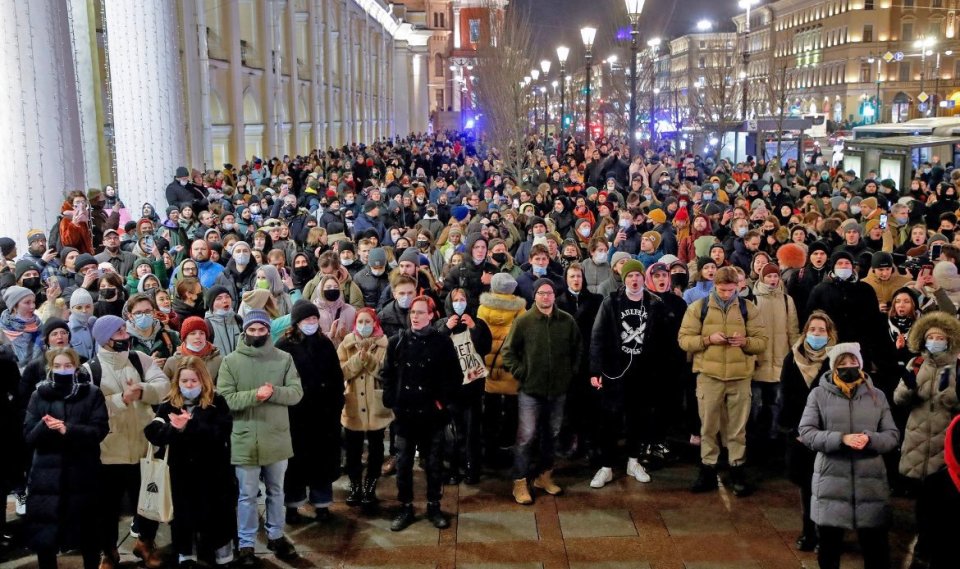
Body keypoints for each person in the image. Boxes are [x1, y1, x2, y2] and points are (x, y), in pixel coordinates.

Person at [799, 342, 899, 569]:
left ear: (861, 364)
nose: (848, 367)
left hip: (870, 483)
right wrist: (840, 439)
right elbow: (806, 432)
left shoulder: (878, 396)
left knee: (876, 549)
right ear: (834, 367)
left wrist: (870, 439)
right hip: (831, 481)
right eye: (842, 363)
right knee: (829, 548)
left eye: (853, 362)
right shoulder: (818, 395)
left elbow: (892, 435)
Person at [83, 315, 170, 569]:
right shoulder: (91, 369)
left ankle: (145, 543)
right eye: (118, 331)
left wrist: (141, 390)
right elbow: (91, 407)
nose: (125, 334)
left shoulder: (139, 359)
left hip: (144, 446)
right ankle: (109, 551)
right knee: (107, 508)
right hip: (110, 451)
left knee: (147, 502)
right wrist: (123, 398)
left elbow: (163, 385)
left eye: (124, 329)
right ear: (105, 338)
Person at [219, 309, 304, 566]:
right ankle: (246, 544)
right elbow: (224, 398)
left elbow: (296, 392)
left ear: (268, 330)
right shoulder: (230, 362)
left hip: (276, 436)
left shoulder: (284, 358)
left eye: (261, 329)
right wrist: (255, 395)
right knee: (246, 495)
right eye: (252, 329)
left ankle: (276, 535)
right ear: (245, 331)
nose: (257, 334)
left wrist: (274, 392)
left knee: (277, 491)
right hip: (244, 437)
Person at [678, 266, 768, 496]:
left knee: (737, 429)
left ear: (738, 287)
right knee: (708, 426)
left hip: (740, 377)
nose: (727, 294)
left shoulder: (749, 309)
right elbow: (684, 340)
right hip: (709, 375)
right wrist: (708, 339)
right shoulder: (700, 308)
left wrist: (745, 342)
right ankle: (708, 467)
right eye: (722, 290)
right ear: (714, 287)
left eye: (731, 290)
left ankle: (737, 467)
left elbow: (762, 342)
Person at [143, 356, 236, 568]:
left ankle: (222, 554)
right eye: (184, 381)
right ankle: (186, 555)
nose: (189, 385)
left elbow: (222, 431)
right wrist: (173, 428)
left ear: (203, 380)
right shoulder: (168, 404)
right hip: (180, 472)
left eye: (193, 381)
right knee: (183, 517)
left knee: (217, 515)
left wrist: (189, 426)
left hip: (212, 473)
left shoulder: (216, 402)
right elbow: (153, 432)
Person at [381, 295, 461, 531]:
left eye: (420, 312)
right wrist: (392, 400)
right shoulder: (398, 341)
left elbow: (454, 376)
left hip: (431, 414)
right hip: (405, 414)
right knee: (404, 463)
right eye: (413, 312)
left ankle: (433, 505)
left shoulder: (442, 342)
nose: (415, 316)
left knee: (434, 463)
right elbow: (388, 373)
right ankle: (405, 506)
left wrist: (442, 403)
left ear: (431, 315)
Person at [23, 347, 108, 569]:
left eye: (68, 366)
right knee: (46, 535)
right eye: (58, 366)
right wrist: (44, 425)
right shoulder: (38, 395)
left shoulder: (92, 393)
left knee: (88, 533)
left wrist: (68, 429)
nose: (63, 370)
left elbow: (99, 430)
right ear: (50, 368)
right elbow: (29, 436)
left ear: (76, 367)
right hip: (46, 477)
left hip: (83, 473)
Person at [503, 278, 582, 505]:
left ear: (554, 296)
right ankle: (519, 481)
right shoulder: (524, 322)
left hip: (558, 390)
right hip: (530, 390)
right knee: (526, 437)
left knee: (552, 435)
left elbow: (577, 349)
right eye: (541, 293)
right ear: (534, 296)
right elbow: (509, 352)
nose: (545, 297)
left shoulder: (566, 321)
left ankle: (543, 476)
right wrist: (522, 372)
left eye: (549, 293)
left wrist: (570, 372)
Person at [893, 311, 960, 565]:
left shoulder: (957, 368)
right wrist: (909, 389)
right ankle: (922, 545)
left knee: (944, 501)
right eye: (930, 337)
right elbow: (898, 399)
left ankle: (938, 545)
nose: (935, 341)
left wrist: (949, 396)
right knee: (921, 503)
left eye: (940, 337)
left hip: (946, 442)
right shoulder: (916, 364)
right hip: (918, 440)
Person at [275, 300, 344, 523]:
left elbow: (336, 377)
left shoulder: (324, 344)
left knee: (322, 462)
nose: (312, 323)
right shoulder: (284, 346)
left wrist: (336, 404)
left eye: (315, 319)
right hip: (296, 415)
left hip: (323, 415)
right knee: (295, 465)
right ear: (297, 322)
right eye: (307, 320)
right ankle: (293, 506)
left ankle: (322, 504)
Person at [779, 311, 837, 552]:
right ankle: (808, 531)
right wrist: (796, 430)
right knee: (806, 486)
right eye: (813, 330)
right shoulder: (791, 359)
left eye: (822, 330)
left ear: (830, 335)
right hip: (800, 433)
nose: (816, 334)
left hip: (827, 434)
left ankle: (828, 533)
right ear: (805, 332)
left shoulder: (836, 360)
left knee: (828, 487)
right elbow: (787, 397)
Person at [436, 288, 492, 484]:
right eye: (456, 300)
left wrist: (474, 328)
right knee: (452, 433)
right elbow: (434, 350)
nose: (459, 303)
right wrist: (445, 329)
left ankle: (472, 467)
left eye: (463, 299)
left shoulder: (479, 323)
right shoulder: (442, 324)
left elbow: (486, 347)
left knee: (471, 431)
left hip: (473, 387)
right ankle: (453, 468)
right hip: (451, 389)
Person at [338, 308, 392, 510]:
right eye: (360, 322)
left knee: (377, 448)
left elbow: (387, 373)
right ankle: (355, 485)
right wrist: (356, 361)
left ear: (375, 323)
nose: (363, 326)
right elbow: (340, 372)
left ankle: (371, 484)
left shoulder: (384, 345)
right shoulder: (347, 344)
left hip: (376, 404)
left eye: (367, 321)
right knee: (353, 450)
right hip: (353, 405)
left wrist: (369, 361)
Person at [476, 272, 527, 468]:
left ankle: (490, 449)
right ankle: (508, 446)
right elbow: (523, 336)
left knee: (490, 410)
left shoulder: (483, 307)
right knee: (513, 409)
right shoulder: (520, 308)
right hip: (510, 365)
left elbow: (480, 335)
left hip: (489, 366)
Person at [750, 263, 799, 457]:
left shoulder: (787, 301)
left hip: (780, 362)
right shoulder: (752, 299)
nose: (772, 280)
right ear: (762, 278)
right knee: (757, 405)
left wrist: (794, 356)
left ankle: (774, 443)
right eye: (769, 276)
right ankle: (755, 442)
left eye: (775, 276)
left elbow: (793, 331)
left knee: (778, 404)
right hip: (758, 362)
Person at [163, 316, 222, 383]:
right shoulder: (172, 362)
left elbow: (223, 387)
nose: (198, 337)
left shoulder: (218, 360)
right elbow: (165, 388)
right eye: (193, 333)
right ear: (185, 338)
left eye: (202, 333)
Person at [1, 285, 43, 368]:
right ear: (14, 307)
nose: (33, 306)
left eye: (33, 302)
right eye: (27, 302)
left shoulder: (40, 325)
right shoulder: (2, 330)